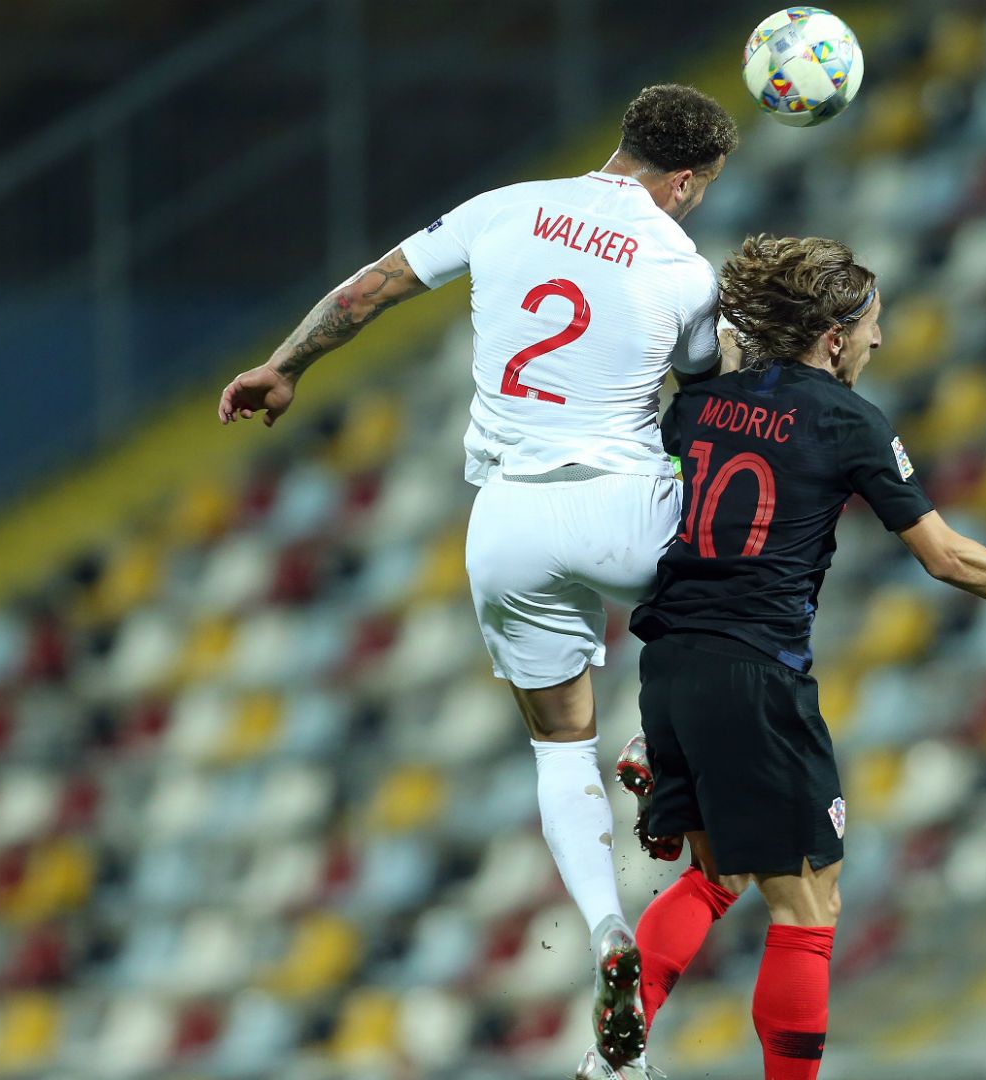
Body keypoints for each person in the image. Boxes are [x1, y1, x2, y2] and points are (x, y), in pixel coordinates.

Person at [216, 84, 740, 1070]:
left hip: (507, 522)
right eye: (701, 189)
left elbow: (366, 288)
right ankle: (661, 746)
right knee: (739, 595)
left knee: (556, 749)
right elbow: (710, 404)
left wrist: (284, 366)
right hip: (627, 506)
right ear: (683, 180)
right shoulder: (682, 265)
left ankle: (604, 933)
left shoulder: (506, 206)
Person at [609, 235, 986, 1080]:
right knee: (810, 905)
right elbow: (945, 555)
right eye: (872, 324)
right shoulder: (847, 419)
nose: (881, 340)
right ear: (834, 336)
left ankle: (612, 1052)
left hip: (669, 666)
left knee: (716, 877)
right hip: (757, 676)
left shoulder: (698, 404)